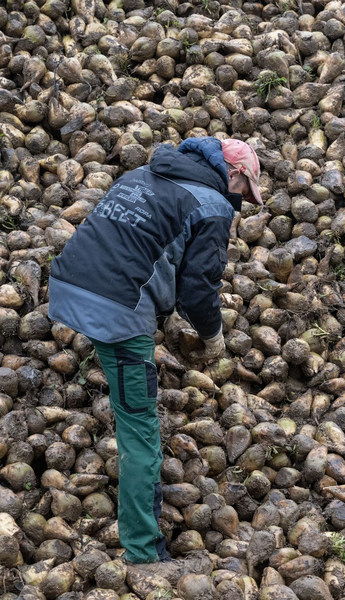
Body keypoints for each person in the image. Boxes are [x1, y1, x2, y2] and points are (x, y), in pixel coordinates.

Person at [47, 136, 263, 566]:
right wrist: (213, 336)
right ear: (234, 174)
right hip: (116, 308)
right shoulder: (213, 205)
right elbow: (198, 288)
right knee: (140, 429)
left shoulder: (141, 173)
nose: (243, 201)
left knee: (129, 369)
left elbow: (128, 244)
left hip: (69, 283)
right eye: (246, 190)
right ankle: (144, 552)